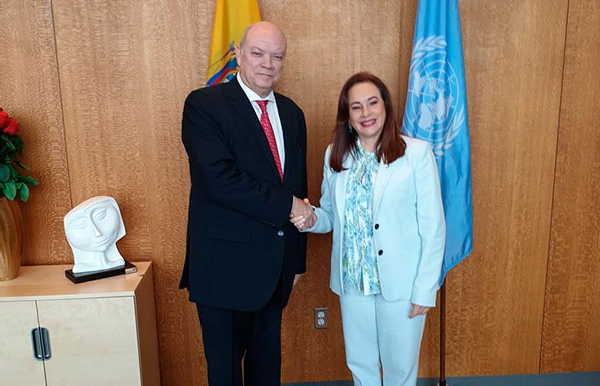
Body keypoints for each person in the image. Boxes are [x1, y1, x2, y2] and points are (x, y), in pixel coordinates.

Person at [179, 21, 312, 386]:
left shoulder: (291, 113)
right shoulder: (204, 106)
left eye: (277, 56)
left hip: (276, 270)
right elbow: (219, 181)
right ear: (237, 54)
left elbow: (297, 186)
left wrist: (296, 260)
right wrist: (290, 206)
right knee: (225, 375)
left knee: (267, 371)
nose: (267, 63)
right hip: (223, 269)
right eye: (257, 53)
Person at [292, 72, 446, 386]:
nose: (366, 113)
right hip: (352, 284)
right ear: (347, 117)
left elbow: (434, 227)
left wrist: (425, 289)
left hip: (401, 287)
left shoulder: (416, 154)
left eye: (372, 103)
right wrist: (309, 218)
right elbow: (332, 218)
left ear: (385, 107)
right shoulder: (335, 155)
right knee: (360, 366)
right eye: (356, 107)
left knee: (399, 370)